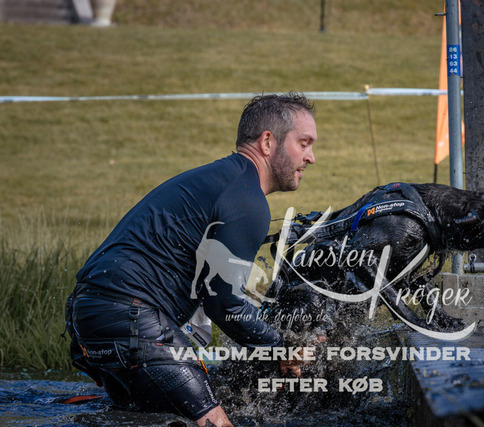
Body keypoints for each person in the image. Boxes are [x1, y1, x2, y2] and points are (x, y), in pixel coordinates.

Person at [64, 92, 317, 426]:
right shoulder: (246, 199)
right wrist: (281, 347)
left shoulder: (221, 180)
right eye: (304, 143)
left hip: (90, 312)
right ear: (268, 142)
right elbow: (223, 305)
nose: (311, 157)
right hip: (131, 316)